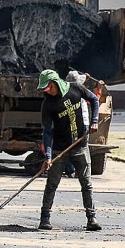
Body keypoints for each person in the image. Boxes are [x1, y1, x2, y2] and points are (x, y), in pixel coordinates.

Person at [36, 69, 102, 231]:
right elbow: (47, 131)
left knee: (86, 184)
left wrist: (94, 121)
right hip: (60, 149)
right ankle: (45, 219)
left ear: (55, 82)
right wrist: (49, 156)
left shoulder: (75, 88)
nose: (47, 91)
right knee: (51, 185)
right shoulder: (48, 105)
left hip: (80, 145)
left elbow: (93, 99)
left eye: (48, 87)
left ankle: (91, 219)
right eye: (44, 89)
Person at [63, 70, 90, 178]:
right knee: (82, 148)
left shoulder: (65, 92)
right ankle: (81, 171)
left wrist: (85, 77)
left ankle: (70, 170)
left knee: (69, 146)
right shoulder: (81, 91)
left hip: (70, 122)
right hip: (83, 122)